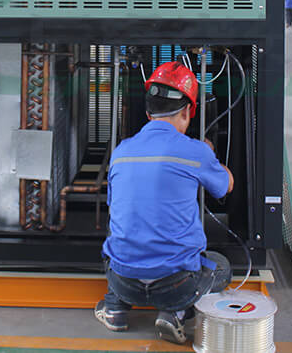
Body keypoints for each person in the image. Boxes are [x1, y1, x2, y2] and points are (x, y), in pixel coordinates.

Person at [95, 61, 234, 344]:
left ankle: (114, 308)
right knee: (221, 266)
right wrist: (210, 156)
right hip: (176, 285)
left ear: (148, 114)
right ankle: (175, 313)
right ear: (187, 112)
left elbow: (114, 206)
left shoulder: (121, 151)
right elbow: (225, 186)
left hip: (123, 280)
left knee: (118, 233)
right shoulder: (195, 151)